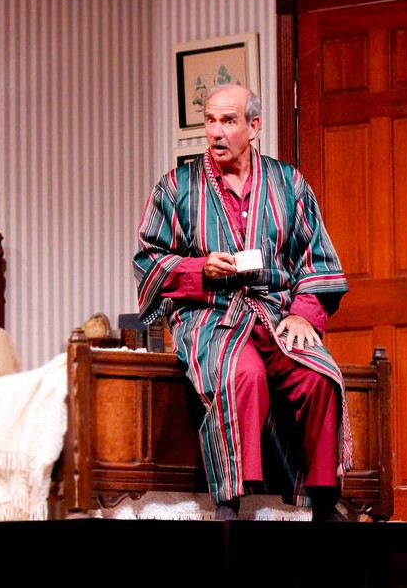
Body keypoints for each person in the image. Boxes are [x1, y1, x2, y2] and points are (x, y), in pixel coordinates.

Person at [133, 83, 352, 521]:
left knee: (319, 375)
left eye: (228, 121)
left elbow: (318, 257)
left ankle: (325, 501)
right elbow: (148, 260)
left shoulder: (288, 184)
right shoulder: (176, 187)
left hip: (275, 314)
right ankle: (229, 503)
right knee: (241, 373)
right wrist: (200, 269)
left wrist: (304, 314)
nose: (216, 132)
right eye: (210, 121)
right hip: (209, 315)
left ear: (253, 127)